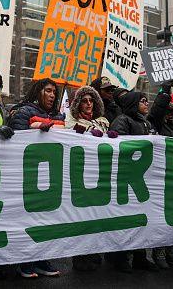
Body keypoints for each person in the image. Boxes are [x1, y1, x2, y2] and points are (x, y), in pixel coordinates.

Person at [8, 78, 64, 278]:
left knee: (46, 220)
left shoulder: (58, 115)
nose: (52, 95)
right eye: (48, 91)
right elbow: (15, 140)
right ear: (38, 92)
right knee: (27, 220)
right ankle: (25, 261)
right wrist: (34, 129)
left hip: (51, 175)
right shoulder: (24, 112)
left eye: (54, 92)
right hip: (28, 174)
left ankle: (42, 258)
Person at [64, 85, 115, 272]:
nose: (88, 104)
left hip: (99, 174)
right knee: (81, 216)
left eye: (91, 100)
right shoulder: (71, 122)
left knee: (96, 215)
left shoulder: (103, 121)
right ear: (78, 104)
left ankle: (94, 251)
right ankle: (80, 256)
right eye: (84, 101)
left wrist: (111, 136)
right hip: (79, 174)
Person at [107, 91, 158, 272]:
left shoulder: (145, 122)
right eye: (142, 101)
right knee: (125, 220)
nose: (146, 104)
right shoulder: (122, 121)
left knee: (142, 219)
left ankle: (140, 257)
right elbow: (118, 147)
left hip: (143, 178)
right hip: (126, 178)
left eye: (146, 101)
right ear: (133, 103)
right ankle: (120, 258)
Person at [145, 82, 173, 268]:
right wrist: (164, 93)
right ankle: (159, 252)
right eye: (168, 113)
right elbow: (156, 111)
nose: (170, 116)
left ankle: (171, 250)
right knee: (160, 218)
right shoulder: (157, 123)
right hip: (159, 179)